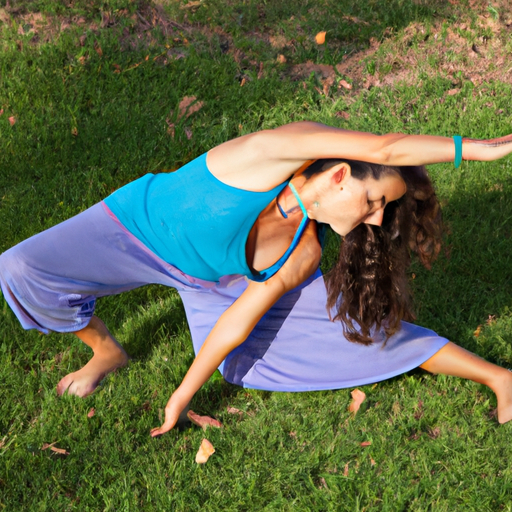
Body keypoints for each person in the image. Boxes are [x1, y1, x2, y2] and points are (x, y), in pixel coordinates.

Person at [1, 122, 512, 438]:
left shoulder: (305, 249)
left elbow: (235, 324)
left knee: (285, 352)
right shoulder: (268, 153)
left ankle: (498, 377)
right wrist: (477, 150)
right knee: (20, 269)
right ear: (339, 177)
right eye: (375, 201)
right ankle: (106, 350)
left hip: (211, 280)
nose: (376, 220)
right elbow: (385, 146)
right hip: (135, 229)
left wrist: (181, 395)